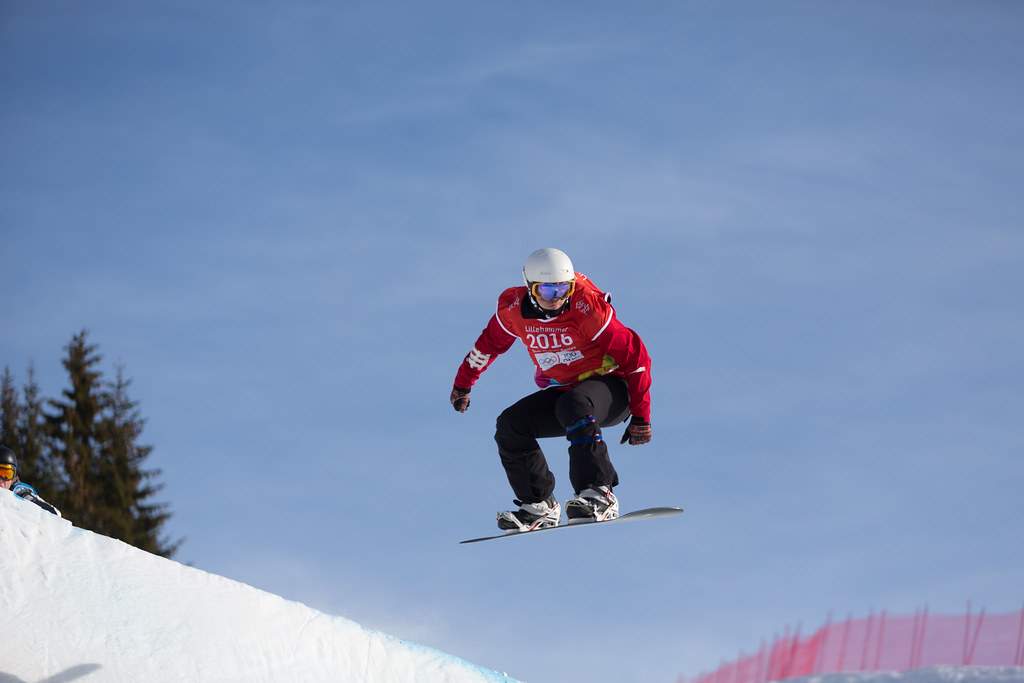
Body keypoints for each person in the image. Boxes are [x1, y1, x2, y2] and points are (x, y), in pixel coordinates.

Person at [451, 247, 652, 532]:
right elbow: (488, 345)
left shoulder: (585, 308)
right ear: (530, 287)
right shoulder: (512, 310)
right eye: (547, 291)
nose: (557, 299)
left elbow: (637, 358)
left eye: (563, 289)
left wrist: (642, 417)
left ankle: (599, 493)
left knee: (573, 403)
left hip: (613, 390)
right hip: (569, 392)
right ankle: (538, 504)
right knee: (511, 424)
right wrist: (463, 384)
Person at [0, 444, 62, 517]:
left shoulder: (19, 493)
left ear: (13, 477)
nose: (0, 480)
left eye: (6, 474)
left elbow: (54, 515)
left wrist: (24, 497)